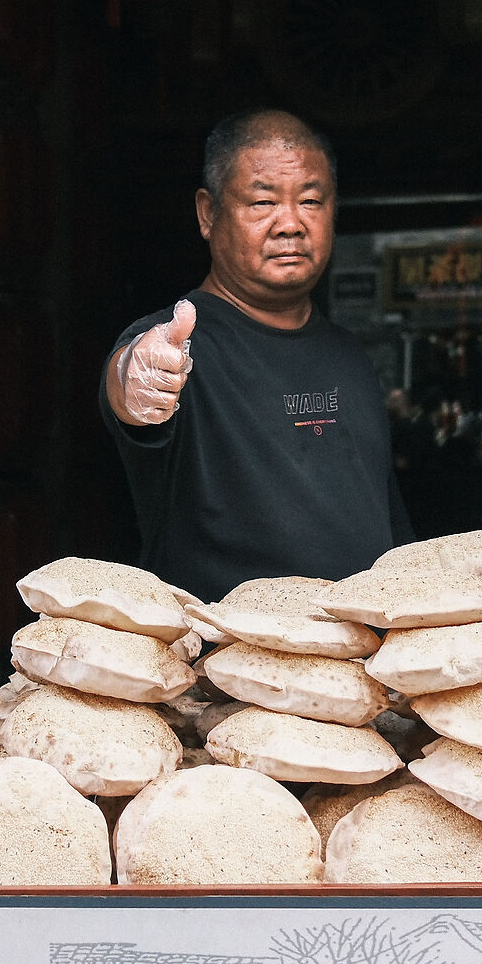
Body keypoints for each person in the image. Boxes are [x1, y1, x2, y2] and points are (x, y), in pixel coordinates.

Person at [104, 109, 413, 600]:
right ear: (208, 214)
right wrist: (136, 379)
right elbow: (129, 385)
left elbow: (387, 523)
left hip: (361, 663)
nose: (290, 223)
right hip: (224, 667)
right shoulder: (172, 345)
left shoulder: (350, 356)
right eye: (263, 201)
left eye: (310, 201)